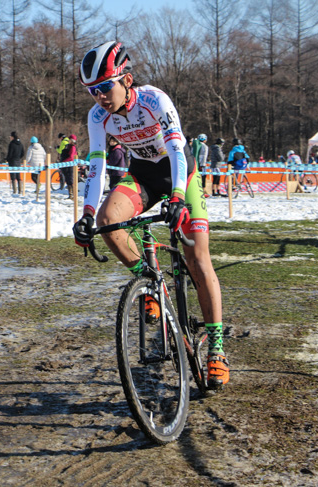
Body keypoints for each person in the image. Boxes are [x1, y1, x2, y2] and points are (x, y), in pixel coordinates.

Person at [72, 41, 228, 388]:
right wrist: (85, 212)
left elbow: (176, 148)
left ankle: (216, 349)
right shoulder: (98, 116)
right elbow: (96, 165)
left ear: (126, 79)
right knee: (107, 222)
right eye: (91, 91)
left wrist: (176, 196)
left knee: (198, 258)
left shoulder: (154, 99)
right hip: (142, 175)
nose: (98, 97)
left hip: (179, 174)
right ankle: (153, 286)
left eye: (103, 87)